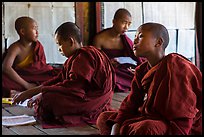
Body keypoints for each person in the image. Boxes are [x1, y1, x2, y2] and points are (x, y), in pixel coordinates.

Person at [96, 22, 202, 135]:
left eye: (140, 36)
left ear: (158, 42)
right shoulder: (142, 70)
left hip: (175, 123)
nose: (135, 40)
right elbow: (132, 103)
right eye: (135, 36)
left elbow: (183, 113)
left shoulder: (176, 66)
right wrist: (116, 126)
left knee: (146, 128)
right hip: (149, 116)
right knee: (104, 118)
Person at [12, 22, 116, 128]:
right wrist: (29, 92)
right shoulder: (75, 58)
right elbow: (59, 80)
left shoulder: (84, 56)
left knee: (48, 99)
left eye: (60, 44)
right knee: (46, 97)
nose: (59, 49)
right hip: (87, 97)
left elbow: (75, 89)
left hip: (92, 101)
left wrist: (42, 94)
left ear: (70, 41)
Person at [2, 16, 61, 98]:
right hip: (20, 78)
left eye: (37, 28)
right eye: (34, 29)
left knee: (57, 76)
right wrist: (26, 85)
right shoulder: (16, 48)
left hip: (36, 77)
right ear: (22, 31)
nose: (37, 32)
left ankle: (24, 91)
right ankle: (27, 91)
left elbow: (41, 68)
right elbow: (6, 68)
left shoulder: (38, 46)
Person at [93, 8, 145, 93]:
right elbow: (95, 61)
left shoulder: (125, 39)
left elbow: (136, 57)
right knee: (107, 76)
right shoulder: (99, 38)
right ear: (114, 21)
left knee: (136, 74)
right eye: (124, 23)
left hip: (121, 67)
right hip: (107, 69)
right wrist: (108, 62)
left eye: (129, 24)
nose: (126, 27)